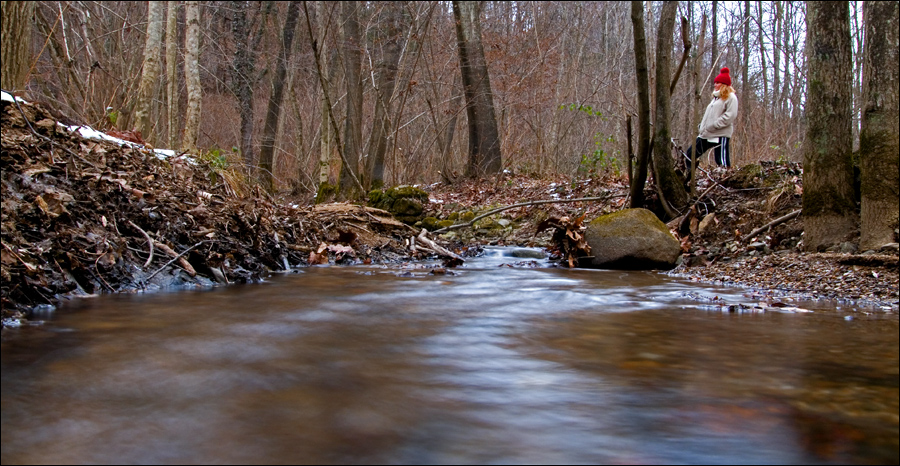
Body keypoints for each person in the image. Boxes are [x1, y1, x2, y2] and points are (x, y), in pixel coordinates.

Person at [685, 67, 739, 181]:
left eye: (717, 83)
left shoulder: (731, 98)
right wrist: (702, 126)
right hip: (707, 133)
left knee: (722, 162)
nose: (715, 84)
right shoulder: (716, 98)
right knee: (690, 155)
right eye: (715, 82)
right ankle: (689, 179)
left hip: (720, 133)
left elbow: (730, 116)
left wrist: (715, 125)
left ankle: (726, 182)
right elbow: (710, 115)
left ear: (724, 84)